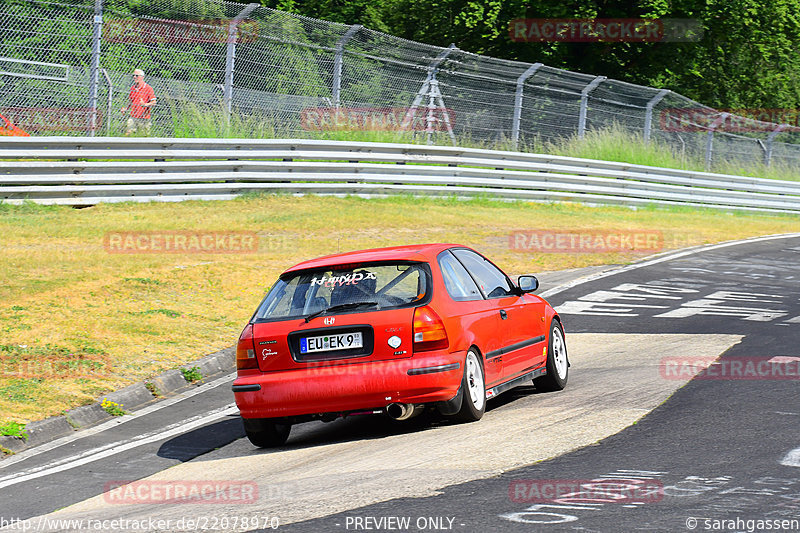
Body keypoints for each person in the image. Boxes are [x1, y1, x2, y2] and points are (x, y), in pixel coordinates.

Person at [121, 69, 156, 136]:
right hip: (133, 116)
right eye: (133, 75)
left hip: (144, 118)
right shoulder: (133, 88)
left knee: (144, 137)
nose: (134, 77)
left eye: (137, 76)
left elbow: (154, 102)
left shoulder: (148, 88)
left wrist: (145, 104)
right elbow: (131, 102)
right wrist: (126, 109)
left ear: (142, 77)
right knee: (128, 133)